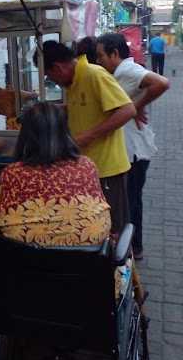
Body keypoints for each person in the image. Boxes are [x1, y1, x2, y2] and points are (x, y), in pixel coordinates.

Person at [35, 41, 136, 234]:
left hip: (107, 170)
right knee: (93, 228)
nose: (53, 81)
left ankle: (121, 262)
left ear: (58, 67)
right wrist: (56, 109)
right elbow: (88, 107)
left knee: (113, 229)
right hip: (86, 170)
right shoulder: (74, 82)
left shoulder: (94, 75)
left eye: (50, 76)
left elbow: (127, 109)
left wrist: (88, 136)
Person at [0, 101, 111, 246]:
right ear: (65, 132)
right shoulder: (87, 166)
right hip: (90, 262)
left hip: (28, 263)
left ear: (25, 135)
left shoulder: (12, 173)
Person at [96, 33, 169, 260]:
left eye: (100, 56)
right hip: (130, 149)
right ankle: (132, 246)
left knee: (131, 200)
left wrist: (135, 107)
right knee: (130, 199)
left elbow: (162, 82)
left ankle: (134, 247)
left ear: (115, 54)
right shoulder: (117, 73)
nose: (98, 61)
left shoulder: (126, 71)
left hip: (135, 151)